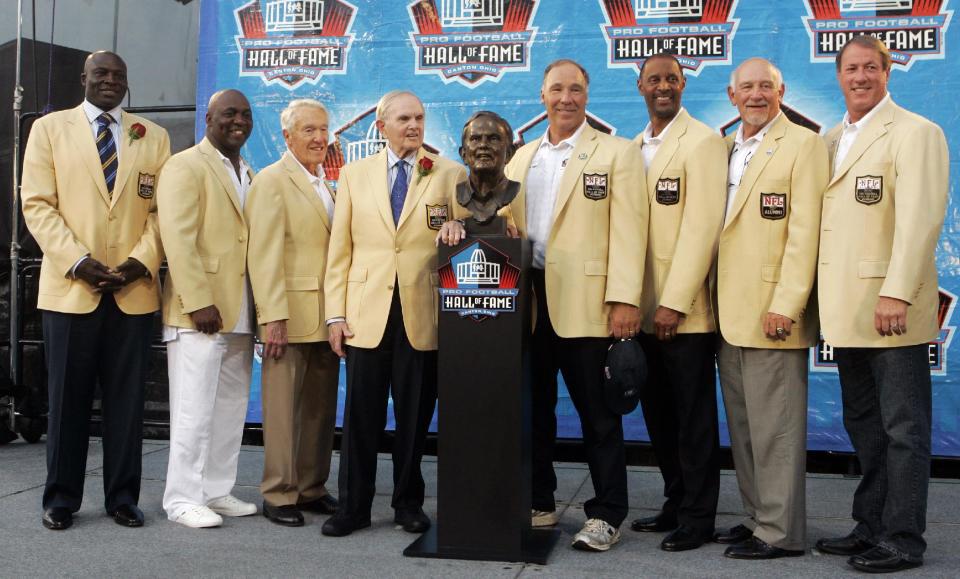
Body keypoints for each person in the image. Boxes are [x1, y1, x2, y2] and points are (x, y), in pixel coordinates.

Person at [815, 35, 949, 574]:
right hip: (847, 312)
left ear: (887, 72)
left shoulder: (917, 133)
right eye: (851, 68)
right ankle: (869, 525)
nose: (860, 77)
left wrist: (896, 290)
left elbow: (920, 221)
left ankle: (902, 539)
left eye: (871, 67)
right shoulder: (830, 139)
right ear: (839, 76)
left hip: (892, 309)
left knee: (902, 430)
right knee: (865, 426)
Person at [21, 50, 170, 531]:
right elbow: (38, 204)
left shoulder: (154, 136)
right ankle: (61, 498)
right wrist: (79, 262)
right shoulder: (48, 129)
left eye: (119, 75)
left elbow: (163, 211)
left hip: (132, 289)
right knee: (68, 399)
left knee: (127, 402)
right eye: (101, 73)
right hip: (70, 289)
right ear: (83, 78)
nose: (110, 80)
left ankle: (123, 497)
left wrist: (139, 263)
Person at [503, 59, 647, 552]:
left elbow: (631, 234)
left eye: (576, 89)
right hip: (530, 302)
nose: (567, 98)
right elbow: (502, 223)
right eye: (558, 89)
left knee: (599, 417)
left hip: (590, 302)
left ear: (588, 95)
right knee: (535, 411)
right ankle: (539, 500)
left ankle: (607, 514)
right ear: (542, 94)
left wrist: (624, 299)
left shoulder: (617, 153)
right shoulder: (520, 158)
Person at [322, 90, 466, 537]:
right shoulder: (353, 174)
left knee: (415, 416)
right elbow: (339, 251)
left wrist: (461, 228)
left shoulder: (449, 173)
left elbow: (475, 234)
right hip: (366, 312)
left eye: (419, 118)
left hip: (422, 312)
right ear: (381, 125)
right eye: (404, 118)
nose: (414, 126)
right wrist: (334, 315)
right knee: (361, 415)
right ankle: (353, 508)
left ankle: (408, 504)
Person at [714, 57, 827, 560]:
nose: (756, 94)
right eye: (747, 87)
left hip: (772, 313)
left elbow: (805, 234)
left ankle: (781, 533)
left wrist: (787, 304)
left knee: (776, 429)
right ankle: (758, 517)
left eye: (766, 86)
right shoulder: (724, 148)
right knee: (744, 426)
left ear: (780, 91)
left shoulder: (803, 145)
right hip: (727, 313)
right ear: (732, 94)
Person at [629, 52, 726, 552]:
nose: (662, 86)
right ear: (640, 86)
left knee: (692, 418)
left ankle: (699, 515)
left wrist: (675, 300)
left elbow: (702, 229)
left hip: (682, 313)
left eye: (671, 78)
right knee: (659, 416)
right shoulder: (633, 147)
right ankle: (674, 501)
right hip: (640, 311)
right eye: (653, 79)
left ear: (683, 84)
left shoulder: (704, 142)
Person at [157, 89, 258, 528]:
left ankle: (215, 490)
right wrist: (197, 301)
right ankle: (181, 499)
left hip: (240, 309)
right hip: (200, 312)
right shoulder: (184, 165)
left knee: (230, 408)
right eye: (229, 113)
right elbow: (177, 238)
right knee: (192, 409)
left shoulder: (247, 171)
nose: (238, 121)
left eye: (245, 115)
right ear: (209, 118)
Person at [246, 99, 340, 527]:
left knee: (319, 409)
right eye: (308, 130)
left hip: (328, 316)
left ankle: (310, 486)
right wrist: (272, 317)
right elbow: (262, 254)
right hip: (288, 314)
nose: (319, 138)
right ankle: (279, 493)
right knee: (284, 410)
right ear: (287, 136)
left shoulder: (328, 184)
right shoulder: (271, 181)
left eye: (323, 129)